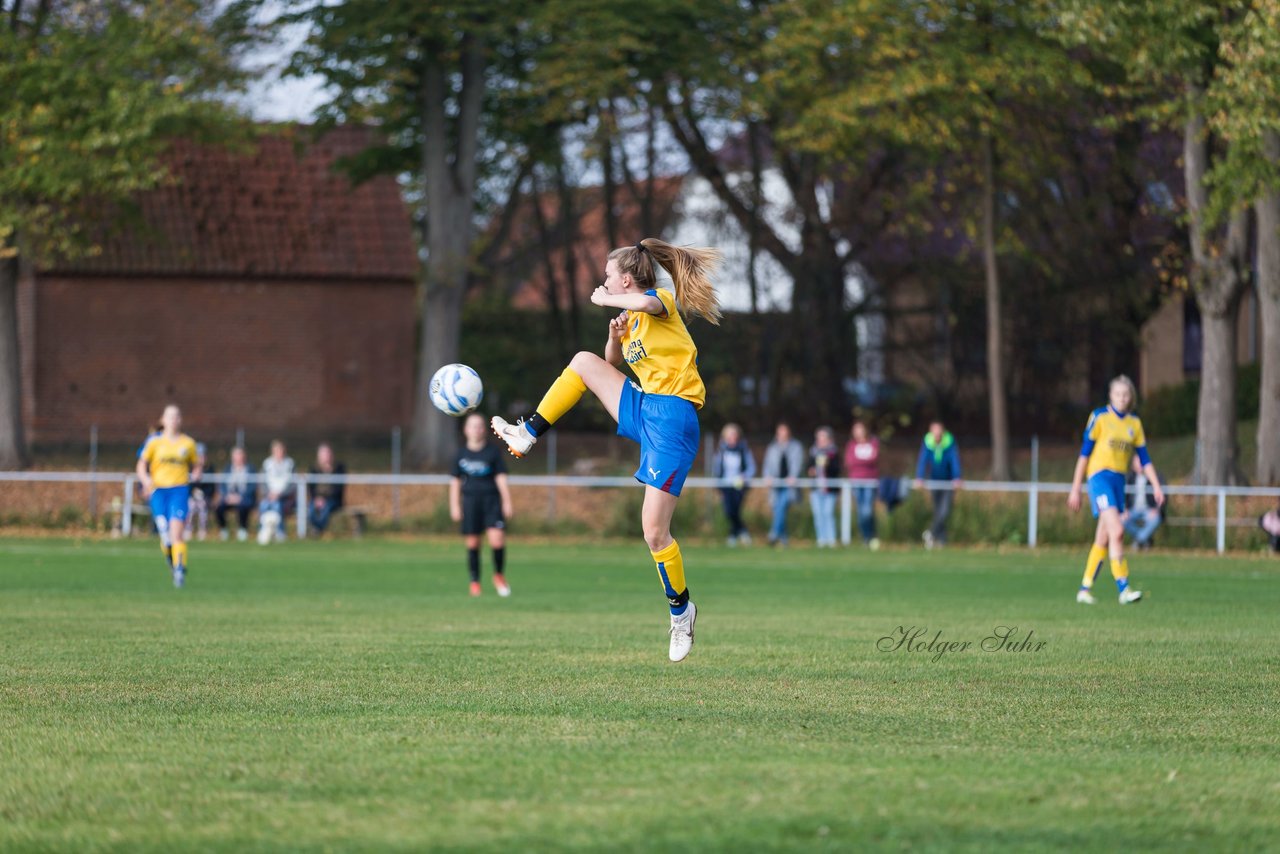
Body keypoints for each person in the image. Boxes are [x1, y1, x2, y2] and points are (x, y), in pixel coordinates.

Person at [490, 237, 721, 662]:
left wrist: (609, 300)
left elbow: (651, 305)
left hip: (673, 419)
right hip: (645, 406)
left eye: (608, 276)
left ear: (627, 279)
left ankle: (681, 611)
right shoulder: (630, 315)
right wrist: (615, 333)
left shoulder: (659, 299)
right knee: (583, 361)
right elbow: (611, 362)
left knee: (653, 530)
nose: (604, 282)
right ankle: (528, 433)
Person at [1068, 374, 1164, 605]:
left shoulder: (1134, 424)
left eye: (1126, 394)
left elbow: (1145, 459)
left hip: (1119, 482)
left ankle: (1084, 589)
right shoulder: (1099, 417)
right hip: (1099, 479)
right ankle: (1124, 588)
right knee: (1118, 531)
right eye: (1117, 394)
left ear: (1131, 397)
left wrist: (1156, 485)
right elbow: (1084, 455)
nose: (1122, 398)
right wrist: (1075, 488)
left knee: (1103, 537)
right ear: (1111, 396)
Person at [135, 405, 201, 587]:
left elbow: (197, 464)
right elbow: (141, 465)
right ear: (162, 420)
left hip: (179, 490)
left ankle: (180, 570)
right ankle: (172, 560)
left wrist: (196, 474)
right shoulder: (154, 442)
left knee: (176, 533)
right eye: (169, 416)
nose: (173, 419)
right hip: (158, 491)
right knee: (165, 535)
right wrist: (146, 480)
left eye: (177, 416)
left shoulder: (188, 443)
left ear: (181, 420)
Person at [450, 413, 514, 596]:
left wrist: (507, 501)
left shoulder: (492, 452)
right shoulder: (461, 453)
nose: (476, 429)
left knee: (497, 539)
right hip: (470, 502)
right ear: (466, 430)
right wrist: (455, 505)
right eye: (472, 426)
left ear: (484, 430)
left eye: (479, 426)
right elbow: (455, 481)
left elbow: (501, 477)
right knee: (473, 543)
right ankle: (475, 581)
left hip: (491, 501)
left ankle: (499, 575)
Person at [914, 420, 962, 548]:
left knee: (944, 510)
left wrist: (957, 477)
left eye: (939, 430)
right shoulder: (927, 442)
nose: (937, 434)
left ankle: (931, 533)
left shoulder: (949, 442)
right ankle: (942, 539)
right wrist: (919, 477)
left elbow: (954, 460)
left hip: (948, 481)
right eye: (934, 431)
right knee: (937, 511)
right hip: (934, 480)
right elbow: (922, 460)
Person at [712, 423, 755, 546]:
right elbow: (716, 469)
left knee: (736, 510)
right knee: (729, 511)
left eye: (734, 435)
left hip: (739, 486)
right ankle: (742, 531)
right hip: (726, 485)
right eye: (730, 435)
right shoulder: (721, 450)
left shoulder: (743, 449)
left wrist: (744, 476)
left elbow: (751, 468)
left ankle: (733, 535)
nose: (732, 438)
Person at [762, 422, 805, 548]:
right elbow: (767, 464)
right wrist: (767, 477)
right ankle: (784, 540)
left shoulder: (796, 447)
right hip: (776, 484)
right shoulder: (772, 447)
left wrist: (793, 476)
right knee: (778, 510)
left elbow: (797, 463)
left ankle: (774, 533)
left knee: (781, 506)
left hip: (789, 485)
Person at [844, 421, 881, 549]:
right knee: (860, 512)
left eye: (860, 429)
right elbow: (850, 462)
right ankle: (866, 538)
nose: (857, 432)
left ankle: (871, 534)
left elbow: (873, 459)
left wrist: (860, 461)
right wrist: (864, 461)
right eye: (855, 429)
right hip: (856, 481)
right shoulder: (851, 445)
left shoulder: (873, 443)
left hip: (870, 482)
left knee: (867, 511)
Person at [807, 426, 841, 548]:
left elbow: (837, 470)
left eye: (823, 437)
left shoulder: (833, 453)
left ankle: (831, 540)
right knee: (818, 514)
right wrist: (811, 471)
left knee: (828, 513)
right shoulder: (813, 452)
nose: (820, 440)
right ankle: (821, 540)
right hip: (816, 489)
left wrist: (827, 466)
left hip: (830, 489)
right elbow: (808, 468)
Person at [258, 440, 295, 545]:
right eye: (277, 450)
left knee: (277, 506)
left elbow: (292, 484)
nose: (279, 453)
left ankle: (280, 532)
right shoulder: (267, 463)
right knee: (263, 506)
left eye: (281, 450)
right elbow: (262, 482)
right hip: (268, 496)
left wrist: (280, 494)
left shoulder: (290, 464)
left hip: (284, 497)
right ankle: (263, 532)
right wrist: (269, 493)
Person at [215, 446, 256, 541]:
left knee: (243, 506)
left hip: (244, 498)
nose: (238, 457)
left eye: (240, 455)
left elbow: (252, 486)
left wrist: (240, 497)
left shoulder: (250, 468)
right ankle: (223, 529)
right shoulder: (227, 468)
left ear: (244, 456)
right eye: (236, 455)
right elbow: (222, 485)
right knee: (219, 507)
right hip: (229, 498)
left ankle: (243, 529)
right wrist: (227, 496)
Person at [1123, 461, 1165, 550]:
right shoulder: (1129, 477)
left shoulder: (1155, 477)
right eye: (1137, 462)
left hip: (1149, 509)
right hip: (1132, 510)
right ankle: (1144, 539)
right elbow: (1123, 496)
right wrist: (1124, 508)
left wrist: (1157, 509)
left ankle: (1139, 540)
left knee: (1155, 519)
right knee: (1121, 520)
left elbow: (1163, 496)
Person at [307, 443, 347, 535]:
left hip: (333, 499)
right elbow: (311, 488)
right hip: (317, 499)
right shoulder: (314, 469)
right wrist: (317, 498)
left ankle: (318, 529)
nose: (326, 457)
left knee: (326, 508)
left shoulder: (339, 469)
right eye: (323, 455)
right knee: (311, 508)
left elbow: (339, 488)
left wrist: (325, 499)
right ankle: (315, 528)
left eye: (327, 454)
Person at [185, 443, 214, 542]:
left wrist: (203, 493)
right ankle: (188, 530)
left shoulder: (210, 469)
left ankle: (202, 530)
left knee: (202, 506)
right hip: (191, 498)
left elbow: (211, 488)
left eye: (202, 455)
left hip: (205, 498)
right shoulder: (189, 469)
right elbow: (187, 487)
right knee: (191, 506)